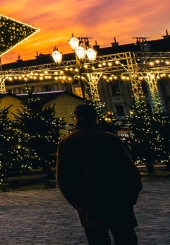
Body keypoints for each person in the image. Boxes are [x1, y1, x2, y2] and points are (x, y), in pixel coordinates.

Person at [57, 104, 142, 245]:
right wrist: (131, 197)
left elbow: (63, 180)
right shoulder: (110, 139)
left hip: (89, 202)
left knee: (97, 239)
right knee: (125, 238)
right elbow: (130, 172)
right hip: (118, 199)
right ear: (95, 119)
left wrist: (78, 202)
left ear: (76, 119)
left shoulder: (67, 142)